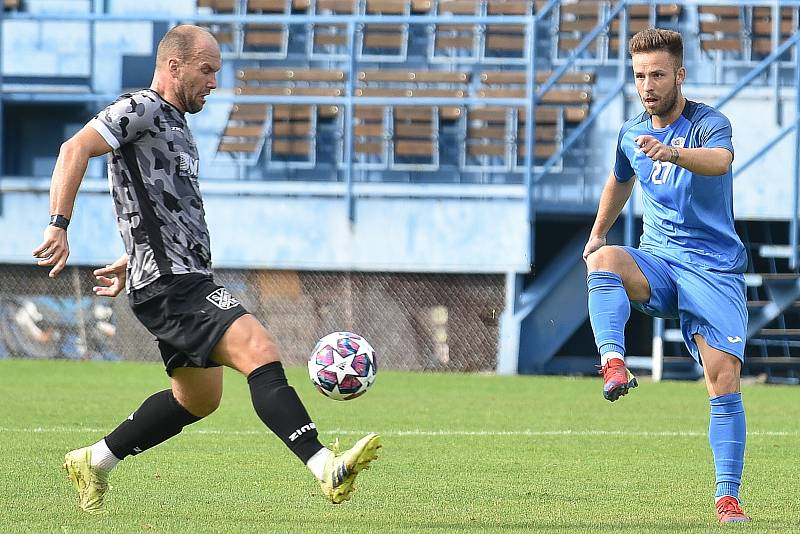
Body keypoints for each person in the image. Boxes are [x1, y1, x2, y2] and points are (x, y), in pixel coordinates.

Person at [32, 24, 381, 514]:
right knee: (258, 348)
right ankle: (325, 466)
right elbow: (74, 149)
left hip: (170, 275)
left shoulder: (178, 127)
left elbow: (159, 208)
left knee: (198, 399)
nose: (215, 81)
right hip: (176, 284)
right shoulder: (142, 107)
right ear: (174, 66)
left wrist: (134, 257)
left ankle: (95, 460)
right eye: (207, 70)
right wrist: (58, 225)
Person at [582, 28, 749, 524]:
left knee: (723, 380)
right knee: (605, 260)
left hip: (714, 268)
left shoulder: (709, 123)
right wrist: (596, 234)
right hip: (660, 260)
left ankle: (726, 497)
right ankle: (613, 364)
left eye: (657, 74)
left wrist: (672, 153)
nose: (648, 85)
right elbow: (620, 178)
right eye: (639, 76)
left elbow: (720, 162)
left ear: (679, 75)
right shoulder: (630, 132)